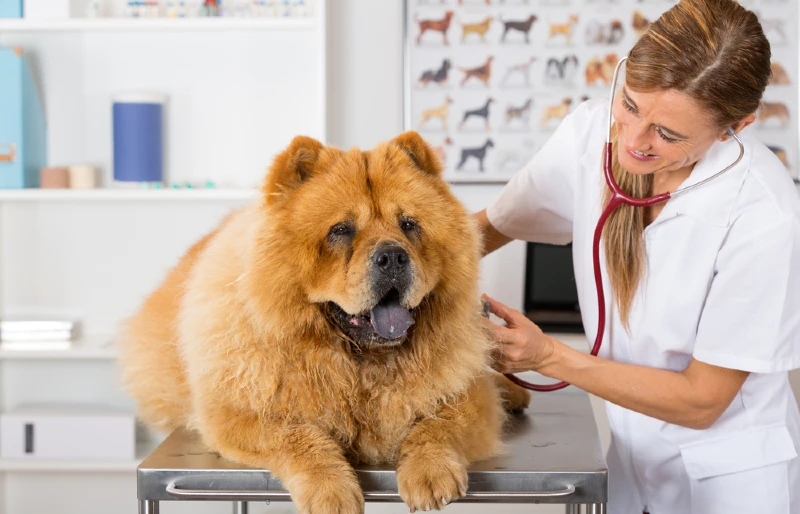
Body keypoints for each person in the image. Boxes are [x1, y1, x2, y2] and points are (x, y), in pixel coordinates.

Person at [475, 0, 800, 512]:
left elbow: (701, 400)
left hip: (729, 482)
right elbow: (485, 230)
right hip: (631, 466)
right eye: (629, 104)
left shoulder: (764, 212)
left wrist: (547, 356)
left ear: (735, 127)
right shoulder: (588, 133)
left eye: (667, 134)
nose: (632, 140)